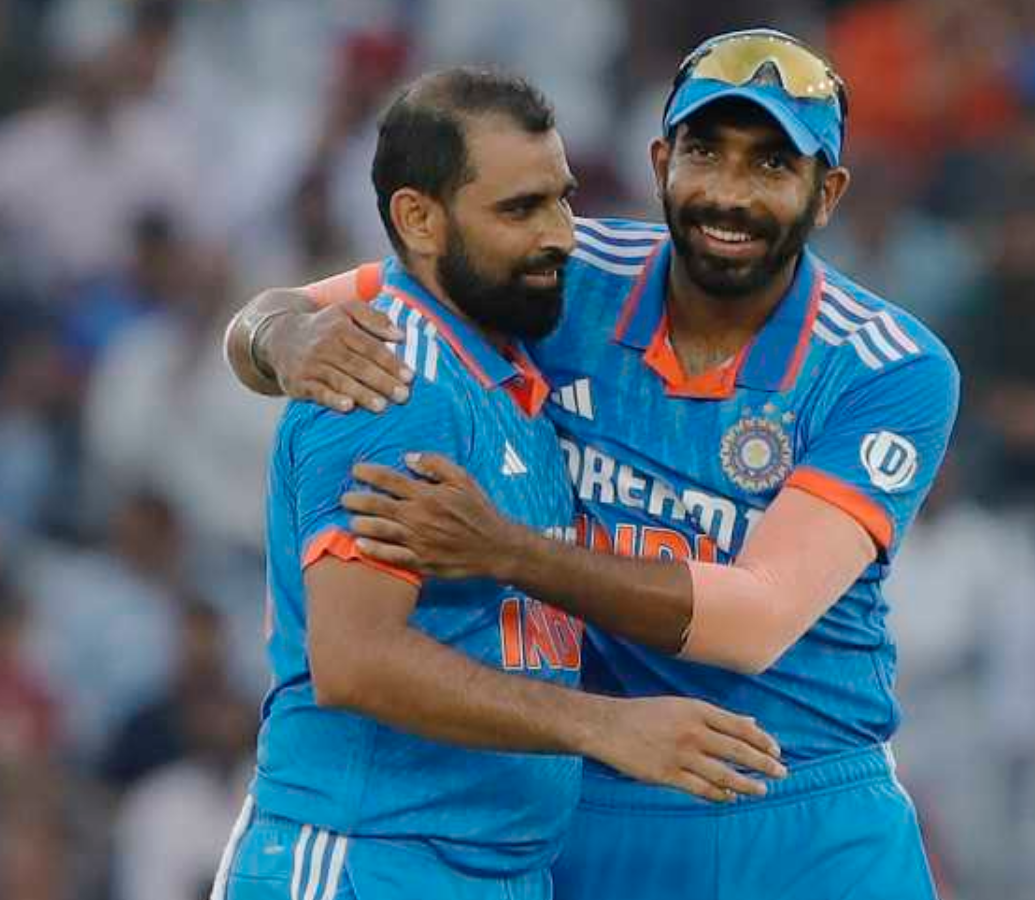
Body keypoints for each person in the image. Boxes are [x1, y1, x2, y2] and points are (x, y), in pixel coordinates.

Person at [227, 32, 960, 899]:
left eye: (772, 165)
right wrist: (284, 334)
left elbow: (754, 620)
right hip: (593, 804)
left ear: (826, 192)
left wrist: (508, 551)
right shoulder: (560, 271)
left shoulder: (887, 365)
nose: (729, 194)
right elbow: (313, 314)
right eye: (704, 153)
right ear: (661, 161)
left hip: (803, 807)